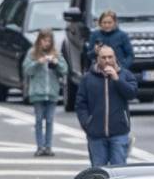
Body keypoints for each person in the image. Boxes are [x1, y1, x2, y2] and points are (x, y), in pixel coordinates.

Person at [76, 45, 138, 166]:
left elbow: (132, 94)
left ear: (115, 58)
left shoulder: (125, 75)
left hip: (119, 132)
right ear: (98, 59)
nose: (107, 60)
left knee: (119, 169)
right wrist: (87, 123)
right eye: (103, 57)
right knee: (98, 170)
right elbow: (80, 104)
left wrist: (117, 79)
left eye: (110, 57)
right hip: (96, 134)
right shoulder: (88, 79)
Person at [22, 28, 68, 157]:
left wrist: (56, 62)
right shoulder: (32, 53)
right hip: (37, 92)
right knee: (38, 120)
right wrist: (38, 62)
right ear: (39, 40)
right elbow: (26, 70)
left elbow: (64, 70)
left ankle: (48, 146)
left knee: (49, 120)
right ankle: (40, 146)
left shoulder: (56, 54)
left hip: (52, 92)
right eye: (44, 40)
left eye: (49, 41)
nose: (46, 43)